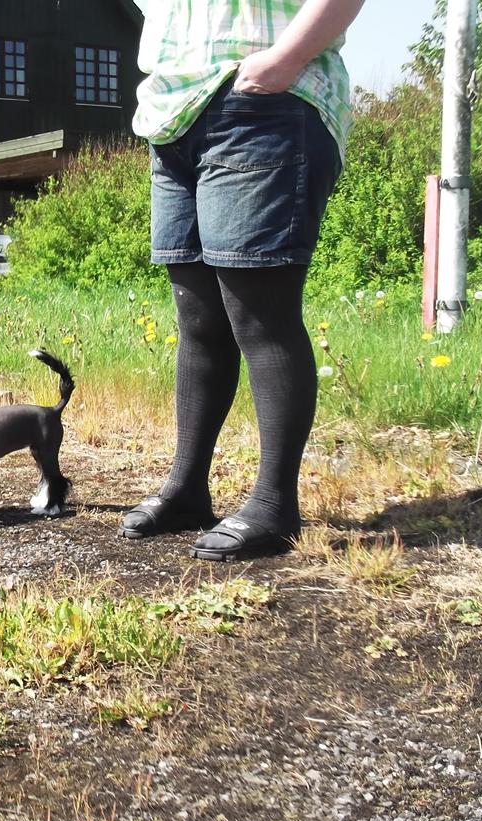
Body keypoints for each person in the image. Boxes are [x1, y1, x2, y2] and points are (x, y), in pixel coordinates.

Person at [118, 0, 366, 561]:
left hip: (264, 101)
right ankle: (187, 488)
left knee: (261, 315)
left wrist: (281, 61)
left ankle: (276, 505)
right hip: (173, 115)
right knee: (198, 319)